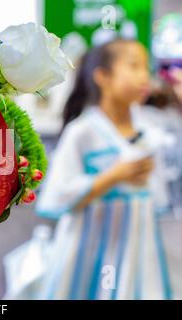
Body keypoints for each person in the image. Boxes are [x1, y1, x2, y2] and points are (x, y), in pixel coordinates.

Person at [35, 39, 173, 300]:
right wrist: (111, 177)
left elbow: (158, 199)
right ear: (103, 76)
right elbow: (56, 196)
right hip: (88, 254)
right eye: (133, 66)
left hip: (138, 252)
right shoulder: (83, 132)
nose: (144, 76)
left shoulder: (149, 132)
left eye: (146, 67)